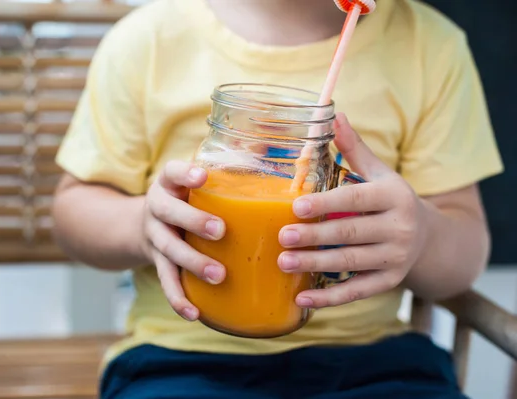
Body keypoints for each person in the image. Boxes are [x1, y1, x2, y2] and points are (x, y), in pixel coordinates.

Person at [52, 0, 503, 397]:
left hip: (375, 362)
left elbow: (465, 252)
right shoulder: (146, 41)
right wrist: (140, 225)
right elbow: (73, 212)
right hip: (182, 358)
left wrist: (421, 236)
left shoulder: (431, 48)